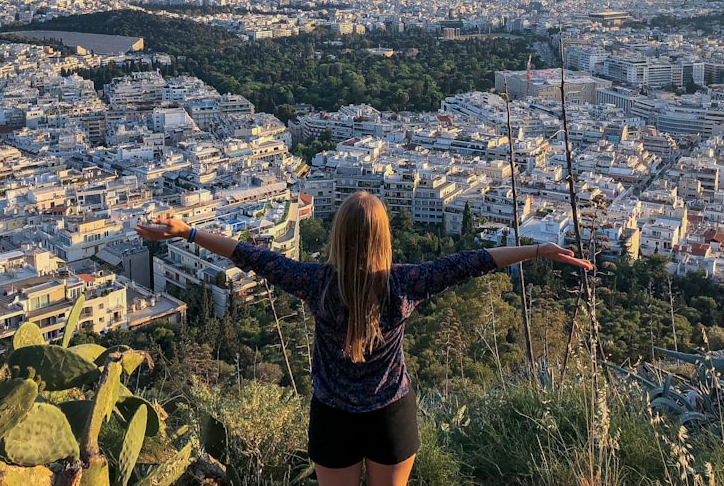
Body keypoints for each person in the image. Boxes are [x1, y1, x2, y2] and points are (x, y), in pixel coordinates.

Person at [136, 190, 593, 486]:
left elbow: (249, 254)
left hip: (332, 415)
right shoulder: (406, 283)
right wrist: (537, 249)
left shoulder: (315, 283)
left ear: (337, 235)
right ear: (384, 238)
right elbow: (473, 260)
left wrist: (187, 231)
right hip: (391, 415)